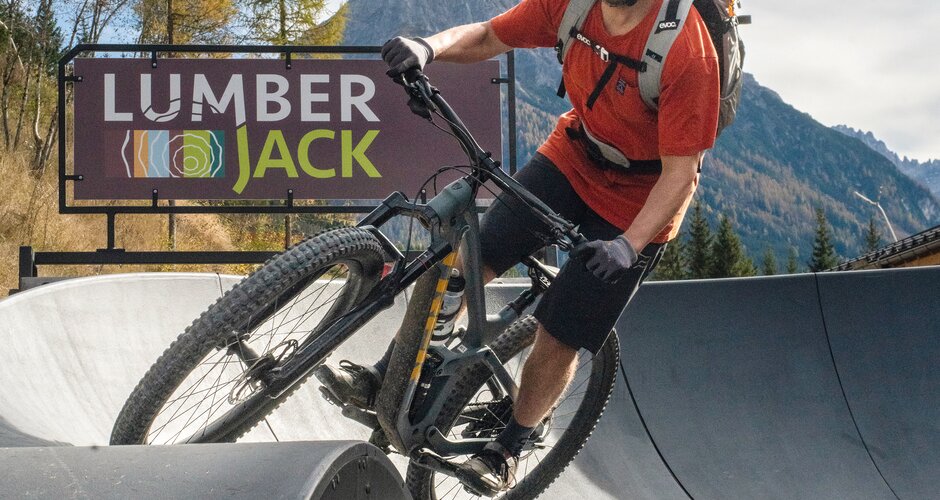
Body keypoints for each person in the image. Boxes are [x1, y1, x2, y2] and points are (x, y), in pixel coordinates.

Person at [315, 0, 719, 495]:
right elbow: (489, 34)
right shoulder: (573, 6)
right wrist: (429, 47)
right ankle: (389, 374)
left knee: (559, 333)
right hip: (573, 157)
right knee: (464, 263)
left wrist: (629, 246)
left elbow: (682, 172)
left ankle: (510, 446)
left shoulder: (686, 49)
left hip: (641, 199)